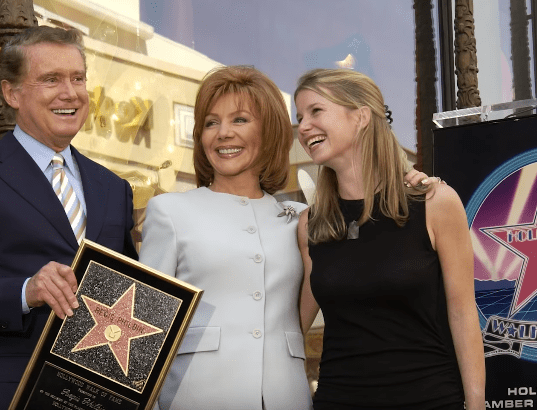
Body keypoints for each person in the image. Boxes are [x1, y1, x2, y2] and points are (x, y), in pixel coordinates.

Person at [139, 66, 433, 410]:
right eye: (210, 122)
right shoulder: (170, 211)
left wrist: (409, 179)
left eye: (239, 120)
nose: (222, 133)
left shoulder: (304, 218)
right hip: (195, 397)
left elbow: (369, 233)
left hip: (287, 398)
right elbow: (145, 332)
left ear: (269, 132)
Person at [0, 26, 137, 410]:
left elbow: (128, 295)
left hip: (100, 397)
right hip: (8, 395)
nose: (70, 92)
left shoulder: (114, 188)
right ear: (11, 93)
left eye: (77, 78)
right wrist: (25, 292)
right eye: (51, 79)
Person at [295, 68, 485, 409]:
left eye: (316, 111)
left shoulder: (434, 203)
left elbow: (463, 313)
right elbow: (291, 328)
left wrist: (476, 404)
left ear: (361, 116)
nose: (303, 126)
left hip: (430, 399)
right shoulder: (312, 224)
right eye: (299, 117)